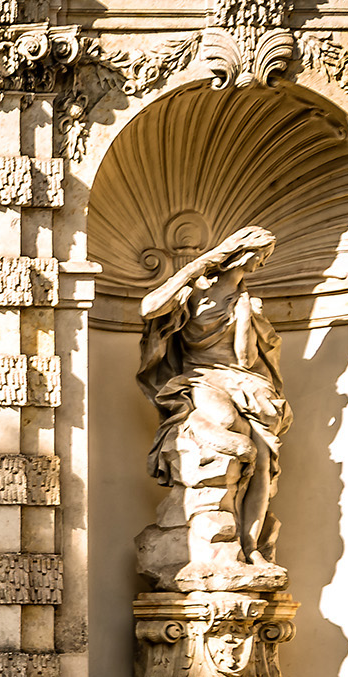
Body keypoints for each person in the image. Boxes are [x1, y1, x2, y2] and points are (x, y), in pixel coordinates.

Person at [136, 225, 291, 587]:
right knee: (227, 424)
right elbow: (149, 307)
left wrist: (245, 316)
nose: (261, 262)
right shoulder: (192, 292)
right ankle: (196, 434)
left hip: (241, 379)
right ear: (240, 252)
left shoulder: (244, 301)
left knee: (263, 462)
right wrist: (195, 268)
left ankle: (251, 548)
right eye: (260, 254)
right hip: (200, 377)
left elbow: (245, 358)